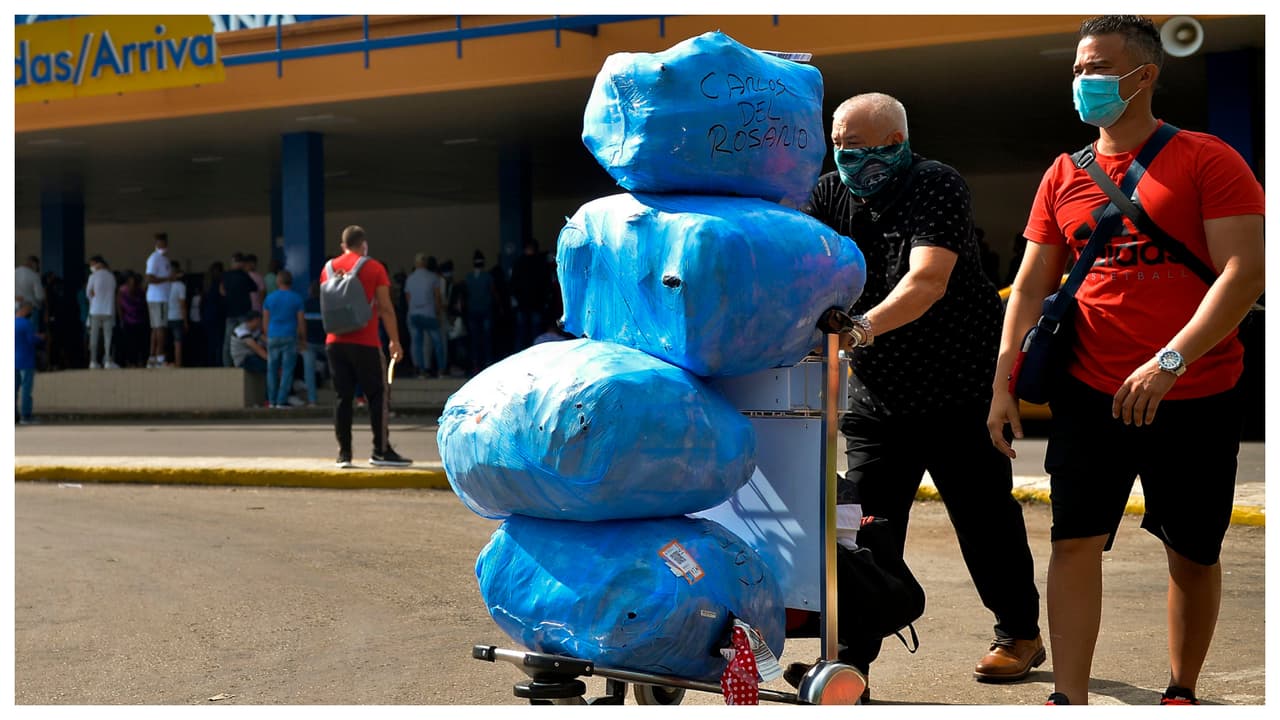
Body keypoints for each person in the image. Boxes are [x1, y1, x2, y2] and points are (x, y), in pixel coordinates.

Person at [987, 15, 1265, 707]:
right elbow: (1029, 285)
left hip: (1196, 388)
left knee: (1193, 552)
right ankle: (1070, 698)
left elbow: (1245, 271)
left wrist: (1170, 360)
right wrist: (1002, 382)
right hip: (1088, 388)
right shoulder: (1063, 173)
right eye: (1079, 70)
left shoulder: (1207, 158)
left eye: (1099, 69)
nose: (1085, 83)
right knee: (1074, 540)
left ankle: (1181, 688)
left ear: (1145, 76)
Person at [794, 92, 1043, 697]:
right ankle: (850, 663)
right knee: (862, 529)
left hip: (960, 388)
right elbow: (804, 269)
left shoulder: (935, 183)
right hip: (879, 398)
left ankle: (1019, 633)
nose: (861, 163)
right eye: (847, 150)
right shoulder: (829, 193)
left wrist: (859, 329)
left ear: (903, 143)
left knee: (984, 519)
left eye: (876, 151)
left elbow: (928, 278)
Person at [321, 225, 412, 468]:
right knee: (377, 396)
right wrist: (394, 340)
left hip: (334, 343)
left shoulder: (328, 268)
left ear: (343, 245)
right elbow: (384, 308)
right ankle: (380, 451)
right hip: (366, 342)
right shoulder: (373, 267)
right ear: (364, 244)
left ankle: (344, 454)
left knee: (342, 398)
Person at [262, 270, 307, 409]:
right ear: (291, 282)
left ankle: (272, 400)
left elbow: (265, 320)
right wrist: (303, 339)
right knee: (287, 370)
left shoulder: (269, 298)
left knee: (272, 369)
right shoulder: (297, 298)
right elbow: (301, 322)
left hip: (273, 336)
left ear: (278, 282)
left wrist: (267, 334)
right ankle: (281, 401)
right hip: (289, 336)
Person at [404, 253, 446, 377]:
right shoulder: (433, 277)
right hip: (429, 314)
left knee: (417, 343)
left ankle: (421, 370)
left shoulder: (410, 278)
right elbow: (437, 297)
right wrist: (438, 312)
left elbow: (408, 298)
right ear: (426, 263)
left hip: (414, 314)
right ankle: (441, 370)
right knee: (438, 342)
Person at [510, 238, 551, 351]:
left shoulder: (518, 263)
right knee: (536, 333)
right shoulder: (541, 263)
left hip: (522, 303)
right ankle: (536, 354)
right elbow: (546, 283)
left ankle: (518, 356)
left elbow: (513, 283)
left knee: (521, 333)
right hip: (537, 303)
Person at [463, 250, 499, 374]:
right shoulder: (488, 277)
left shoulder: (469, 277)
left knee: (475, 339)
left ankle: (475, 365)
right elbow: (494, 293)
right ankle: (487, 362)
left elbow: (465, 294)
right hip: (485, 310)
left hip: (473, 310)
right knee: (486, 338)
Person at [144, 232, 173, 368]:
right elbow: (149, 278)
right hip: (157, 298)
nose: (163, 246)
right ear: (156, 244)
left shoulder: (165, 259)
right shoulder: (154, 258)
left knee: (156, 328)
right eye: (161, 243)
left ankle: (153, 357)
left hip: (163, 298)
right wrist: (168, 279)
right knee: (160, 328)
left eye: (165, 243)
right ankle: (160, 357)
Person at [221, 253, 256, 367]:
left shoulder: (225, 275)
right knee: (247, 339)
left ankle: (227, 367)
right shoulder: (244, 275)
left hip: (230, 312)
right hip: (243, 313)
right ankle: (244, 364)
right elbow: (254, 288)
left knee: (228, 342)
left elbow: (221, 290)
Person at [85, 255, 119, 369]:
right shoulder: (111, 276)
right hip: (108, 310)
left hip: (95, 310)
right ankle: (108, 360)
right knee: (108, 337)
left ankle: (93, 361)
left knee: (93, 337)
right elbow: (114, 292)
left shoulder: (93, 276)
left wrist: (93, 299)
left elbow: (88, 293)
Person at [15, 301, 42, 425]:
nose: (29, 312)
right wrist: (40, 337)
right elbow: (31, 340)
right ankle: (25, 416)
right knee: (26, 389)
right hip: (26, 361)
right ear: (23, 310)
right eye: (28, 309)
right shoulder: (26, 323)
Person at [116, 273, 148, 368]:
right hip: (128, 321)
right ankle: (130, 362)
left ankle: (139, 361)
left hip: (139, 320)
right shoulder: (122, 290)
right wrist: (121, 318)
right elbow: (119, 305)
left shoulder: (140, 291)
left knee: (140, 343)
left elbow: (144, 305)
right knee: (129, 344)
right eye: (131, 282)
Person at [229, 310, 269, 378]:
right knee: (269, 366)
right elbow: (258, 349)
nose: (260, 323)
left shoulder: (255, 330)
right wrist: (272, 360)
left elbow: (266, 341)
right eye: (259, 320)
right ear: (255, 320)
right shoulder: (241, 331)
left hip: (253, 356)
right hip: (244, 360)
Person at [202, 262, 227, 368]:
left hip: (208, 316)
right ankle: (218, 363)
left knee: (210, 342)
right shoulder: (220, 283)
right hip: (218, 316)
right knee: (220, 341)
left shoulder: (207, 284)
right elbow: (223, 298)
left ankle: (210, 362)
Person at [166, 261, 188, 367]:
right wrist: (185, 321)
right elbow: (182, 305)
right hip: (177, 317)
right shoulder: (180, 286)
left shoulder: (163, 286)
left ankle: (166, 362)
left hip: (165, 317)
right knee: (177, 342)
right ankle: (178, 363)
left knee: (167, 342)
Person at [15, 255, 44, 323]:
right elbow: (39, 296)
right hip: (30, 310)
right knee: (31, 332)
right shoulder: (34, 276)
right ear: (34, 264)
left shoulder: (15, 272)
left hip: (16, 307)